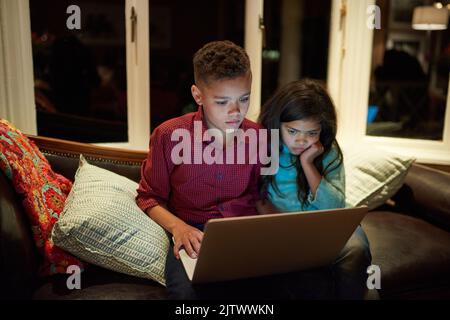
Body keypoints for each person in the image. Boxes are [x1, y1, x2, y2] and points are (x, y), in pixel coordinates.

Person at [136, 40, 270, 299]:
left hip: (243, 231)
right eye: (222, 102)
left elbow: (261, 196)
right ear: (198, 95)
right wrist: (178, 228)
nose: (236, 112)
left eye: (244, 99)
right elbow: (148, 197)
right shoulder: (169, 135)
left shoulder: (259, 136)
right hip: (193, 232)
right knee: (187, 297)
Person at [258, 79, 373, 299]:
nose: (301, 140)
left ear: (323, 130)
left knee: (357, 249)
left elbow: (335, 207)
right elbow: (254, 195)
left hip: (328, 225)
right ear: (277, 124)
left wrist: (308, 164)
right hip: (281, 226)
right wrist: (277, 227)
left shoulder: (327, 152)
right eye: (292, 131)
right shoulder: (262, 147)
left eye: (311, 133)